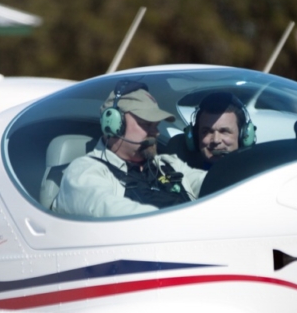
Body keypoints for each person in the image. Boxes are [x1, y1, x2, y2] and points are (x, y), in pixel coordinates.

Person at [53, 81, 206, 218]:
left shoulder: (168, 164)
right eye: (146, 124)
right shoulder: (84, 171)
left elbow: (209, 183)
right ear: (114, 125)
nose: (156, 133)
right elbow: (107, 208)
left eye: (156, 125)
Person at [185, 92, 256, 169]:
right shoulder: (184, 177)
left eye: (224, 131)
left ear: (243, 136)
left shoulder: (257, 177)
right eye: (207, 132)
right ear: (195, 137)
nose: (216, 140)